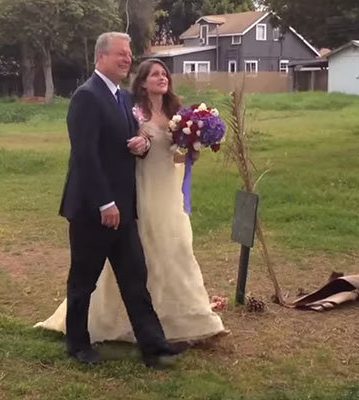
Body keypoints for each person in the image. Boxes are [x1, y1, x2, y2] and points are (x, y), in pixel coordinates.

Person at [36, 56, 227, 349]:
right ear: (142, 81)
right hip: (139, 188)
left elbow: (175, 155)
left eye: (164, 74)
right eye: (154, 74)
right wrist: (141, 146)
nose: (161, 78)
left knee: (175, 249)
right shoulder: (131, 108)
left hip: (167, 190)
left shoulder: (177, 113)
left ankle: (184, 320)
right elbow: (107, 148)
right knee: (137, 259)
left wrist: (193, 149)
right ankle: (114, 326)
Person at [53, 32, 185, 368]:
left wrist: (139, 147)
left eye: (129, 55)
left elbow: (125, 143)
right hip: (92, 209)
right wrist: (104, 204)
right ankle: (77, 344)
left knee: (134, 277)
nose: (128, 60)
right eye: (121, 55)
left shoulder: (123, 99)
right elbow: (85, 155)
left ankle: (154, 347)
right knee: (84, 279)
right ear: (102, 57)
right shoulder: (86, 97)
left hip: (123, 208)